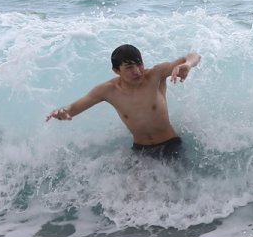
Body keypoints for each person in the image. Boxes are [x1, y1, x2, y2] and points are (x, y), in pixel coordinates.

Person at [46, 44, 201, 161]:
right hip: (140, 151)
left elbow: (194, 55)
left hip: (170, 144)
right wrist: (61, 113)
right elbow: (72, 109)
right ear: (116, 70)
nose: (138, 71)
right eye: (129, 67)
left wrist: (187, 65)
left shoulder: (155, 75)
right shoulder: (108, 91)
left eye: (139, 64)